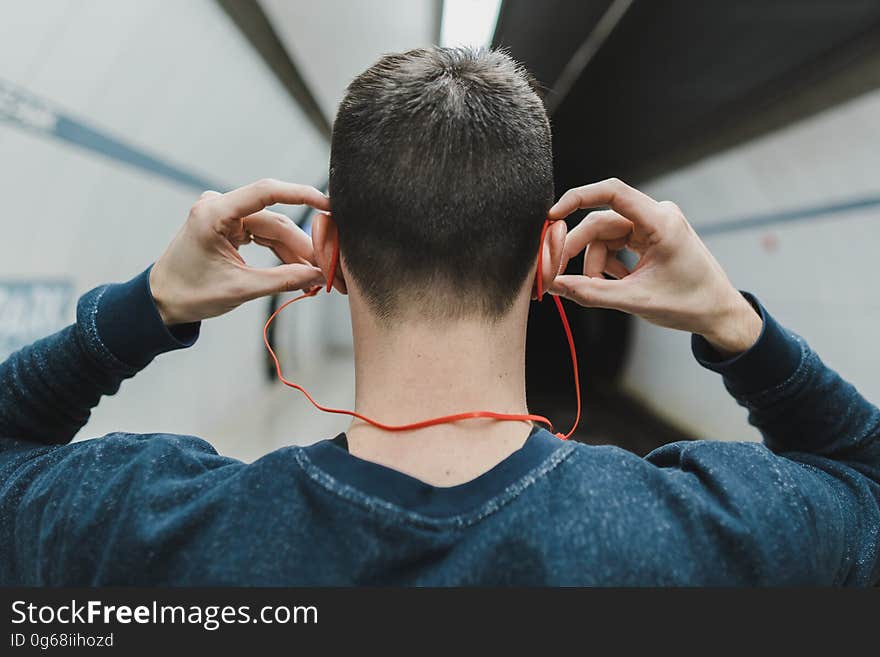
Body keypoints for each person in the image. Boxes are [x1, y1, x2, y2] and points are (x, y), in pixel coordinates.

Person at [1, 47, 878, 586]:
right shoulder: (713, 538)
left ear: (329, 252)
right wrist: (736, 325)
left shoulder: (156, 536)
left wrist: (142, 305)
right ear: (547, 256)